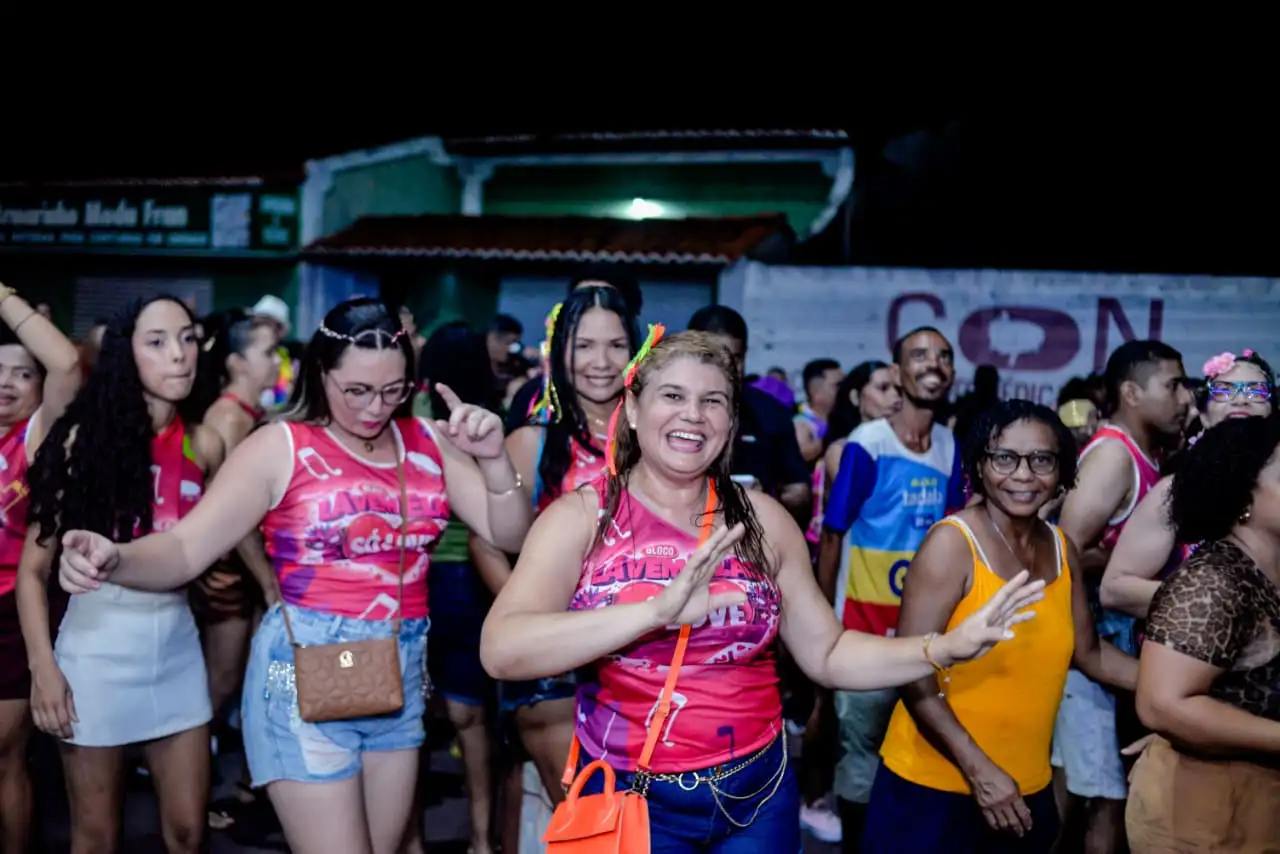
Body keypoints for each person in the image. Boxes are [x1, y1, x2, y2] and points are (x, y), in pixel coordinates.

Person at [479, 330, 1047, 851]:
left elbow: (827, 653)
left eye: (713, 401)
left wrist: (938, 649)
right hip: (633, 794)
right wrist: (655, 611)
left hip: (757, 795)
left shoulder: (763, 521)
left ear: (730, 423)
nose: (693, 416)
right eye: (672, 396)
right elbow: (503, 649)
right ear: (631, 411)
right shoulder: (583, 517)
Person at [55, 298, 535, 854]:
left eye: (392, 389)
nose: (374, 407)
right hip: (297, 675)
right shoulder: (280, 446)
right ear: (320, 373)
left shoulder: (430, 443)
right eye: (355, 390)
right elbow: (186, 549)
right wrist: (116, 557)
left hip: (396, 678)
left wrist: (495, 460)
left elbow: (510, 535)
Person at [863, 400, 1138, 853]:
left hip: (1025, 788)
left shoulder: (1061, 547)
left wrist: (1170, 689)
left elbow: (1089, 653)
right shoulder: (951, 545)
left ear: (1062, 471)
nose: (1024, 475)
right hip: (934, 790)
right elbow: (912, 670)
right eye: (1004, 458)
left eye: (1042, 460)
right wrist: (980, 771)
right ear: (979, 465)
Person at [21, 295, 223, 854]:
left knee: (188, 833)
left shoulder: (205, 444)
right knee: (96, 837)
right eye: (156, 342)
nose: (179, 356)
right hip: (96, 655)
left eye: (187, 338)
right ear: (124, 356)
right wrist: (45, 670)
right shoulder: (80, 441)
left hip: (179, 652)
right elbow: (32, 573)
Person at [476, 286, 639, 811]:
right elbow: (486, 541)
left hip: (645, 659)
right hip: (558, 676)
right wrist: (534, 622)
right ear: (560, 352)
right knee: (590, 818)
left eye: (616, 345)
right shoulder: (534, 439)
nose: (601, 361)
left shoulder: (657, 438)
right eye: (584, 345)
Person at [816, 327, 964, 847]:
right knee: (860, 762)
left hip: (924, 636)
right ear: (899, 372)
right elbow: (832, 538)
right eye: (919, 355)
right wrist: (821, 626)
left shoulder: (949, 446)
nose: (934, 363)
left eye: (944, 356)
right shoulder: (867, 445)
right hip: (862, 631)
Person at [1051, 339, 1191, 854]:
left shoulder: (1145, 454)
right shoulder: (1113, 456)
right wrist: (1130, 567)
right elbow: (1061, 553)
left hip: (1107, 655)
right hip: (1090, 656)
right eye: (1172, 385)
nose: (1185, 398)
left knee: (1081, 797)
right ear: (1131, 392)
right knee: (1107, 803)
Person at [1126, 415, 1280, 851]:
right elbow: (1162, 705)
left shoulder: (1267, 569)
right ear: (1243, 496)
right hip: (1205, 813)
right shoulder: (1213, 582)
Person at [189, 309, 283, 835]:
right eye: (267, 352)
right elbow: (235, 518)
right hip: (227, 576)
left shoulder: (249, 412)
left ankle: (250, 780)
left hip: (245, 573)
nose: (276, 362)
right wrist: (269, 582)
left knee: (253, 682)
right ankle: (189, 795)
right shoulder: (228, 418)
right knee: (218, 686)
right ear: (235, 362)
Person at [1101, 348, 1274, 621]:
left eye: (1256, 392)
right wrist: (1224, 605)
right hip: (1189, 653)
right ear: (1203, 416)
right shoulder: (1175, 492)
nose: (1241, 399)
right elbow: (1115, 589)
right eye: (1224, 391)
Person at [0, 284, 80, 854]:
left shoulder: (35, 439)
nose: (6, 383)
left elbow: (69, 363)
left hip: (11, 613)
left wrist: (3, 296)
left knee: (3, 755)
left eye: (22, 374)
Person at [686, 305, 811, 521]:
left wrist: (764, 503)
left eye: (735, 358)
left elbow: (797, 489)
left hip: (753, 532)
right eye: (714, 357)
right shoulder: (667, 407)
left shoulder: (771, 412)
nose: (726, 367)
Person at [795, 359, 843, 465]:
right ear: (816, 391)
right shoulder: (801, 423)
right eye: (837, 385)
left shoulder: (841, 418)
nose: (844, 389)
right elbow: (801, 455)